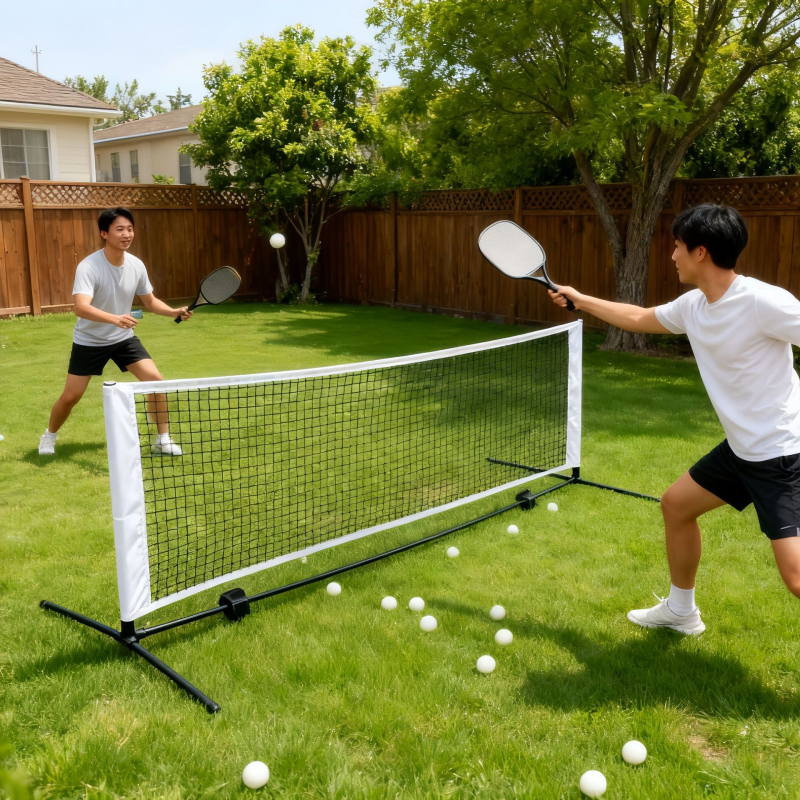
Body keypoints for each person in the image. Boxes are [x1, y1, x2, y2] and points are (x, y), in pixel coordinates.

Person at [549, 203, 800, 635]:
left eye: (678, 246)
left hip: (780, 455)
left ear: (700, 252)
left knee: (795, 578)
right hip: (742, 449)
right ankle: (682, 612)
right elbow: (638, 318)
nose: (672, 255)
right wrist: (581, 299)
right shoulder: (695, 306)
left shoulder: (762, 302)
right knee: (677, 505)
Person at [39, 207, 192, 456]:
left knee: (155, 381)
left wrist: (174, 311)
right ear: (104, 233)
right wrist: (115, 319)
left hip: (123, 339)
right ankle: (49, 436)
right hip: (90, 340)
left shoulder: (136, 265)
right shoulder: (89, 266)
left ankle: (162, 439)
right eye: (119, 229)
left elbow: (151, 302)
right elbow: (81, 307)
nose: (126, 234)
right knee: (71, 396)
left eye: (130, 229)